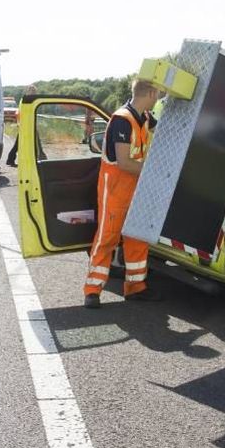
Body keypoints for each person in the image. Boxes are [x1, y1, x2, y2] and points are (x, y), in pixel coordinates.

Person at [83, 79, 162, 308]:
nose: (158, 99)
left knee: (137, 237)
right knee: (107, 237)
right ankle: (92, 291)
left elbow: (164, 130)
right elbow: (125, 163)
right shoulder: (122, 120)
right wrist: (157, 172)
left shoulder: (145, 118)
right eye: (157, 94)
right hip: (116, 189)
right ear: (150, 92)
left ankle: (136, 288)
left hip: (138, 188)